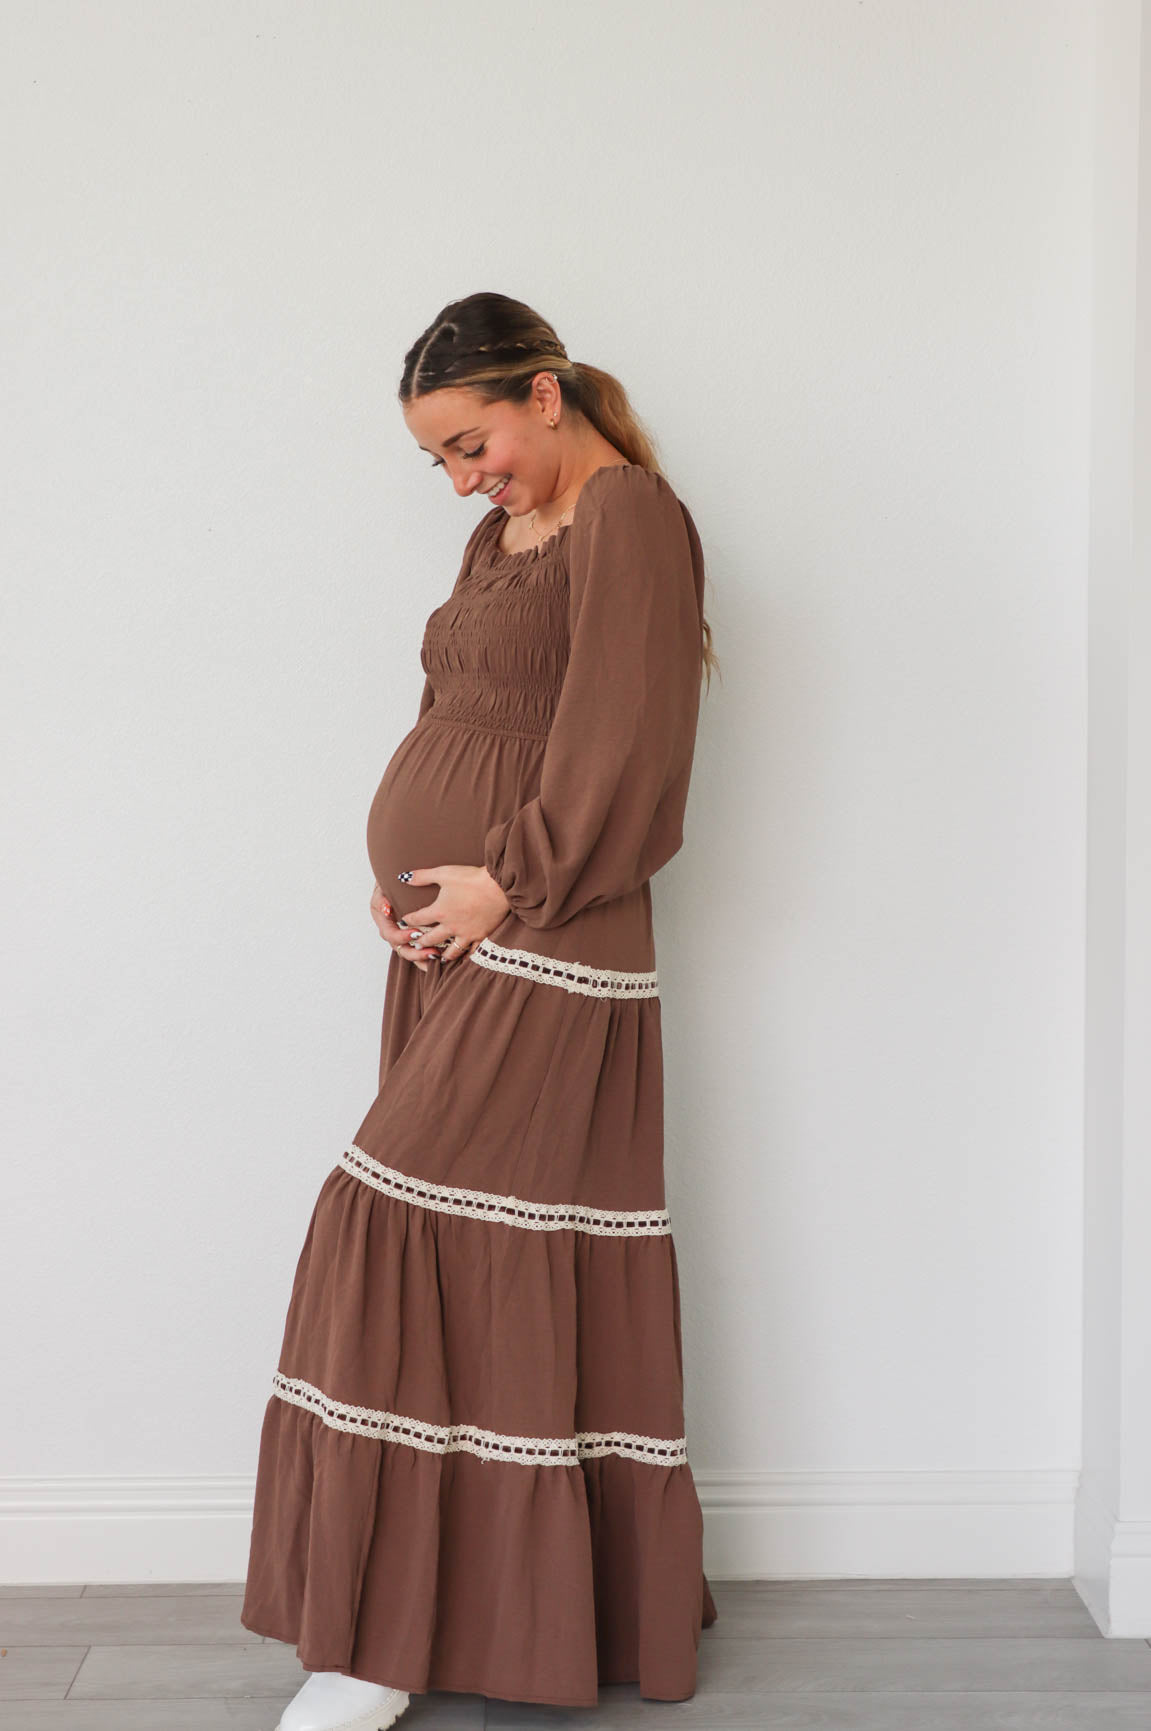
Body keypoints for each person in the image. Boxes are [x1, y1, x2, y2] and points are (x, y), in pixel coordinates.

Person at [240, 292, 720, 1731]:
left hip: (551, 931)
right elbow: (472, 723)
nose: (463, 478)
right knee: (461, 1253)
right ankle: (457, 1615)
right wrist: (413, 893)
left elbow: (632, 738)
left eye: (473, 442)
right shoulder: (497, 537)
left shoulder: (629, 513)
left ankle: (381, 1648)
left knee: (390, 1222)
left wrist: (507, 883)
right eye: (439, 461)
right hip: (462, 938)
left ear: (548, 392)